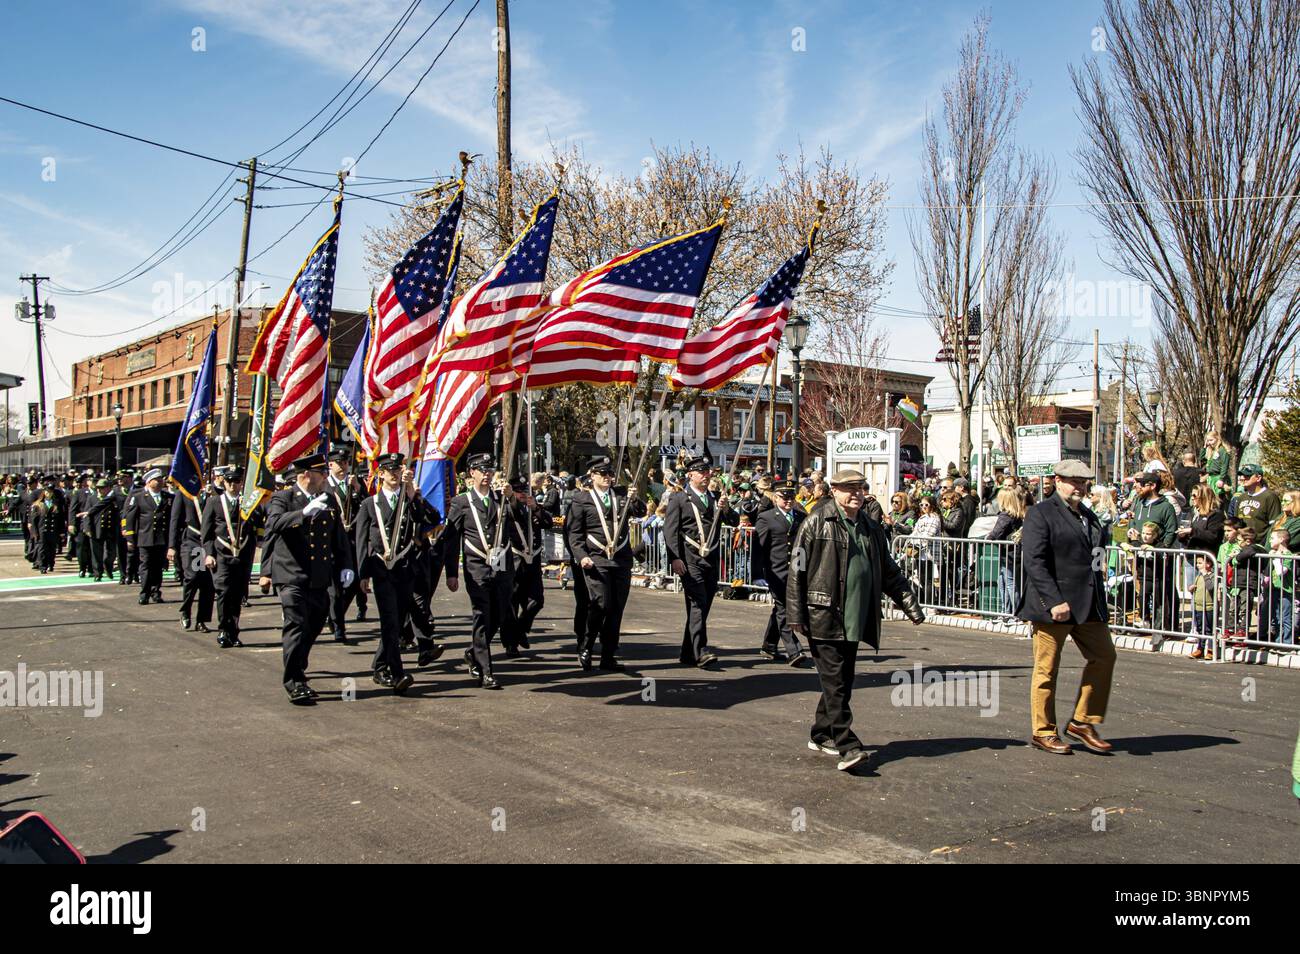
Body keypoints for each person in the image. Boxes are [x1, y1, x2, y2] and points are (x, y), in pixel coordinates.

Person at [787, 468, 924, 772]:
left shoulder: (871, 528)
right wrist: (794, 614)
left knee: (842, 681)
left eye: (860, 489)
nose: (856, 495)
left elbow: (889, 571)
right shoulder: (814, 523)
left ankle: (822, 733)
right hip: (823, 614)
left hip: (855, 618)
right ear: (833, 491)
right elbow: (796, 570)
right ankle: (848, 745)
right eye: (849, 489)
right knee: (836, 682)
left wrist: (910, 604)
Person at [1017, 459, 1118, 756]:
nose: (1079, 487)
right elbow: (1034, 561)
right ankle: (1043, 731)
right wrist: (1053, 601)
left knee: (1104, 657)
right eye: (1073, 481)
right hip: (1054, 606)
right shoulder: (1040, 513)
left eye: (1083, 482)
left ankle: (1083, 722)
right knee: (1046, 671)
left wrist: (1101, 591)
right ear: (1057, 481)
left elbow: (1096, 556)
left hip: (1088, 605)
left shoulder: (1088, 515)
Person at [265, 453, 355, 705]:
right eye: (320, 474)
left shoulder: (327, 500)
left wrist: (346, 565)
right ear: (306, 475)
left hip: (319, 576)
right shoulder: (283, 498)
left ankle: (298, 663)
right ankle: (294, 681)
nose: (325, 478)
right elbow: (274, 525)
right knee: (296, 623)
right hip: (291, 574)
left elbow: (338, 535)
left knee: (315, 623)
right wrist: (303, 513)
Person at [443, 454, 524, 690]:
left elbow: (520, 519)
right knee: (482, 614)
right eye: (482, 469)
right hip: (477, 566)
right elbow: (451, 539)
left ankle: (473, 652)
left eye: (490, 469)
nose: (487, 473)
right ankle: (485, 671)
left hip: (502, 566)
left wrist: (513, 498)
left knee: (499, 616)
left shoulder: (502, 499)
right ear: (472, 474)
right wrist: (451, 573)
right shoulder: (461, 502)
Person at [355, 454, 430, 695]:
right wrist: (362, 574)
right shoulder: (370, 504)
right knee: (389, 620)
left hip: (404, 568)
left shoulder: (407, 499)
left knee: (396, 622)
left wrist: (412, 493)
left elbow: (426, 519)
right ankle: (397, 673)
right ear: (380, 474)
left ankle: (379, 665)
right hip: (381, 568)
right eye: (389, 471)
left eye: (397, 470)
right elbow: (361, 542)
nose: (394, 474)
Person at [565, 457, 633, 672]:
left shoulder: (621, 494)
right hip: (596, 558)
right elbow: (574, 532)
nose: (607, 477)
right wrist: (580, 555)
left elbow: (640, 511)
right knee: (600, 604)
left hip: (620, 558)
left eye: (609, 474)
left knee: (616, 609)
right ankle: (586, 644)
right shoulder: (581, 499)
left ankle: (608, 654)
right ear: (592, 475)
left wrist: (634, 497)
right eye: (602, 474)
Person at [663, 455, 723, 668]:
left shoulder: (716, 498)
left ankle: (687, 652)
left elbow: (733, 520)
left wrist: (725, 507)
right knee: (698, 603)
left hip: (710, 558)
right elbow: (670, 531)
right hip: (690, 559)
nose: (706, 476)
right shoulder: (680, 498)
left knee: (703, 606)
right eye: (701, 472)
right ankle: (701, 651)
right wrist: (675, 558)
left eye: (708, 472)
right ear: (690, 475)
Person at [201, 466, 261, 649]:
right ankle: (223, 629)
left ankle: (234, 631)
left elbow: (257, 525)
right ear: (224, 483)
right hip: (221, 554)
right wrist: (209, 554)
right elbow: (207, 532)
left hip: (242, 554)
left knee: (237, 594)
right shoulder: (214, 502)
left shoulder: (247, 503)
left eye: (237, 482)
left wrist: (254, 507)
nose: (233, 485)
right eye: (230, 482)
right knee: (224, 592)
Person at [752, 480, 809, 665]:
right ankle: (795, 651)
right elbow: (759, 548)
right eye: (784, 498)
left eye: (791, 498)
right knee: (785, 610)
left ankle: (769, 645)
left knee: (780, 609)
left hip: (797, 570)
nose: (788, 501)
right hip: (776, 571)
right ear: (776, 498)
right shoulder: (766, 517)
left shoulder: (801, 516)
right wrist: (757, 574)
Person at [324, 448, 368, 644]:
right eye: (338, 463)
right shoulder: (324, 487)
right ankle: (338, 627)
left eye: (345, 462)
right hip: (332, 542)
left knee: (353, 583)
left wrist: (358, 490)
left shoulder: (355, 484)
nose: (342, 466)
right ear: (330, 465)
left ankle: (336, 614)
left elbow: (367, 507)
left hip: (353, 541)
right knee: (334, 588)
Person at [503, 474, 548, 656]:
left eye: (525, 491)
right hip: (514, 560)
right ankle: (510, 644)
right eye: (518, 492)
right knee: (511, 603)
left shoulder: (533, 507)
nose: (522, 495)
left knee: (536, 601)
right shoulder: (507, 507)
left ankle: (520, 630)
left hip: (532, 561)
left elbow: (548, 522)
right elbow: (513, 510)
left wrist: (536, 507)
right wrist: (509, 497)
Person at [168, 483, 214, 633]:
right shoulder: (184, 493)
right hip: (193, 540)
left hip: (210, 543)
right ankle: (186, 610)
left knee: (207, 583)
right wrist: (172, 546)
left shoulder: (213, 492)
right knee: (193, 577)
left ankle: (201, 620)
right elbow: (175, 520)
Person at [123, 468, 173, 605]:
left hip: (161, 538)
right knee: (145, 566)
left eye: (161, 479)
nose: (161, 481)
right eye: (157, 480)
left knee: (158, 567)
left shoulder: (168, 497)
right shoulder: (138, 497)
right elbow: (130, 519)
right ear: (149, 482)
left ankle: (156, 592)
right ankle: (144, 593)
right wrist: (130, 539)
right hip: (145, 538)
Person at [985, 486, 1026, 624]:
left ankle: (1014, 613)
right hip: (1012, 552)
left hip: (1009, 554)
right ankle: (1006, 612)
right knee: (1003, 581)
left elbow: (997, 532)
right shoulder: (1017, 514)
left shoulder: (1006, 515)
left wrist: (988, 538)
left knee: (1009, 582)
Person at [1230, 464, 1281, 537]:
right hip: (1241, 543)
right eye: (1241, 475)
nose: (1242, 478)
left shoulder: (1270, 497)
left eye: (1247, 476)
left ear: (1258, 478)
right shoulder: (1241, 497)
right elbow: (1236, 523)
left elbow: (1274, 524)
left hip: (1260, 544)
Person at [85, 478, 119, 581]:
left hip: (110, 529)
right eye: (98, 488)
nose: (100, 490)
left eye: (102, 488)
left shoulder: (113, 498)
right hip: (96, 529)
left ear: (108, 488)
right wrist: (87, 528)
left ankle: (108, 566)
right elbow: (87, 514)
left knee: (110, 553)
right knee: (96, 553)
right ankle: (97, 573)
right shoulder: (92, 498)